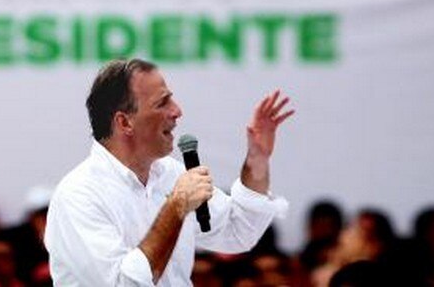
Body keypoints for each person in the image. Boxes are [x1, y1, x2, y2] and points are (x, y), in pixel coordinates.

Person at [44, 58, 294, 285]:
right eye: (162, 102)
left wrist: (257, 160)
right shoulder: (78, 195)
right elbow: (126, 283)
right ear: (124, 122)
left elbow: (238, 231)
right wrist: (175, 207)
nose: (177, 111)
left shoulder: (171, 174)